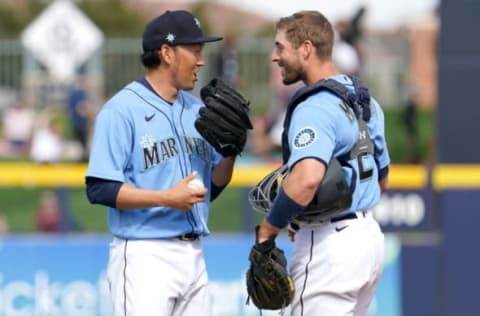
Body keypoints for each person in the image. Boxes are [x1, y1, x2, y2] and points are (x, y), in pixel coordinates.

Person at [85, 10, 238, 316]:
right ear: (167, 53)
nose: (201, 60)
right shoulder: (121, 111)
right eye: (194, 51)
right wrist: (167, 198)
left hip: (193, 254)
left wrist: (232, 150)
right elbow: (100, 188)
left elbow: (213, 187)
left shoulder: (198, 112)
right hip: (145, 254)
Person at [254, 11, 390, 315]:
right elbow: (382, 180)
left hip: (331, 247)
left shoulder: (314, 106)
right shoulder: (365, 99)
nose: (276, 57)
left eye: (280, 47)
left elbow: (307, 180)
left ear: (305, 48)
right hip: (368, 240)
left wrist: (268, 230)